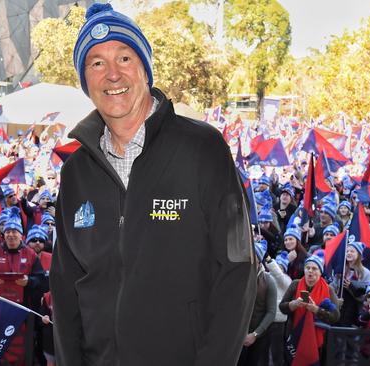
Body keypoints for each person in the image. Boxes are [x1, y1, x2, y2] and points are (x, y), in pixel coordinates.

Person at [50, 3, 256, 366]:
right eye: (96, 63)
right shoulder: (75, 172)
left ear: (146, 69)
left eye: (124, 58)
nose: (112, 74)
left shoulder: (203, 149)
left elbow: (236, 270)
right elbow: (65, 290)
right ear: (86, 82)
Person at [0, 214, 45, 366]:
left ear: (21, 235)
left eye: (14, 231)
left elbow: (41, 280)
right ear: (3, 235)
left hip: (23, 309)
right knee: (0, 344)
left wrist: (28, 282)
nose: (11, 235)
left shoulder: (30, 254)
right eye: (8, 231)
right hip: (0, 309)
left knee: (21, 346)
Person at [279, 251, 340, 364]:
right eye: (308, 268)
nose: (310, 271)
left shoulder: (328, 289)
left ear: (320, 272)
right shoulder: (295, 284)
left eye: (314, 268)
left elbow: (335, 317)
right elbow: (282, 307)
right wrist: (293, 304)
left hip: (318, 339)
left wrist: (316, 310)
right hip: (294, 335)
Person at [237, 241, 277, 365]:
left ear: (258, 260)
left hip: (259, 336)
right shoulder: (238, 278)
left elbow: (271, 312)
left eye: (251, 257)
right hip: (238, 336)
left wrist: (255, 334)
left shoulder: (268, 281)